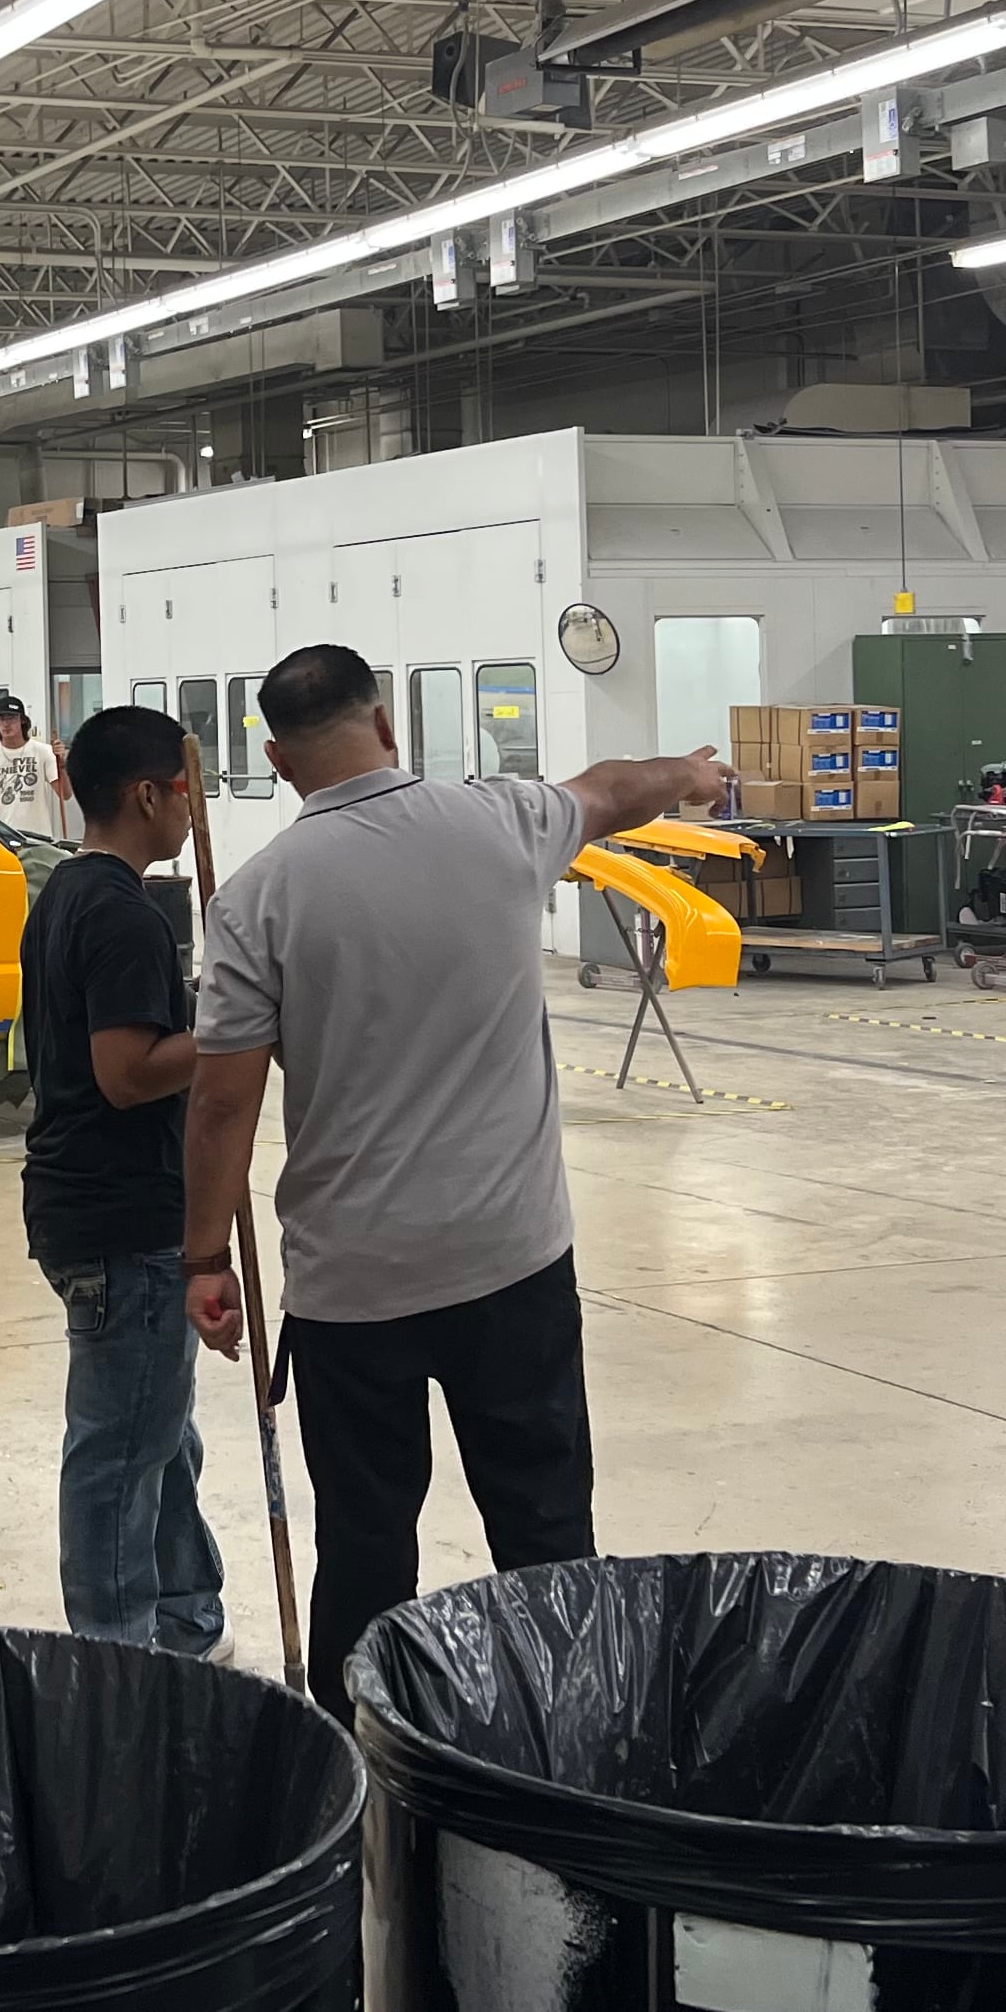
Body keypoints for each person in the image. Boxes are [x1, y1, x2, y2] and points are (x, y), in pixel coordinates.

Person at [180, 643, 724, 1711]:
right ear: (386, 725)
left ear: (280, 763)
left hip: (352, 1287)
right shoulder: (503, 821)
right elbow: (617, 788)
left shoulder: (255, 898)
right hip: (510, 1261)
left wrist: (205, 1256)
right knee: (544, 1525)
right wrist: (691, 776)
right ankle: (570, 1733)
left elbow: (221, 1105)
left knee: (367, 1545)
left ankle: (359, 1755)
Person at [19, 704, 227, 1662]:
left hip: (91, 1203)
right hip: (119, 1214)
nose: (192, 809)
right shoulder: (123, 916)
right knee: (119, 1451)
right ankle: (115, 1659)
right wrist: (235, 1031)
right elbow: (128, 1073)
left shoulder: (67, 892)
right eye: (185, 790)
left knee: (159, 1431)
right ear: (148, 794)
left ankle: (186, 1620)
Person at [0, 697, 61, 829]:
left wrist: (62, 765)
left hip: (39, 836)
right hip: (1, 836)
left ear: (22, 720)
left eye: (11, 718)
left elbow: (65, 794)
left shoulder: (44, 752)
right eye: (1, 719)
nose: (6, 724)